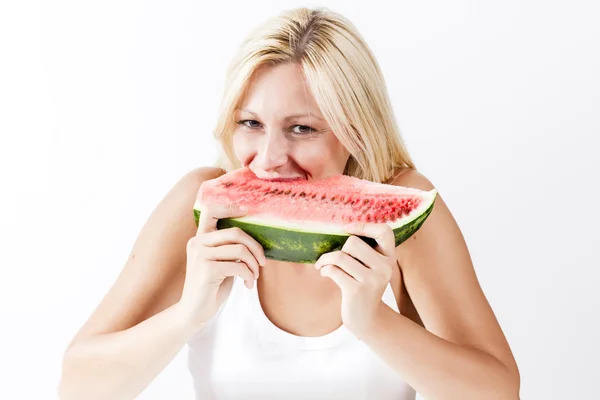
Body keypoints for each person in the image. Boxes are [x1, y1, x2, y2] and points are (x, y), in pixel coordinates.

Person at [58, 7, 520, 400]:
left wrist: (374, 322)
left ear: (356, 131)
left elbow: (499, 391)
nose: (270, 159)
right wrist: (187, 315)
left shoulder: (403, 210)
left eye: (302, 128)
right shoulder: (201, 210)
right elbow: (78, 385)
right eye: (251, 123)